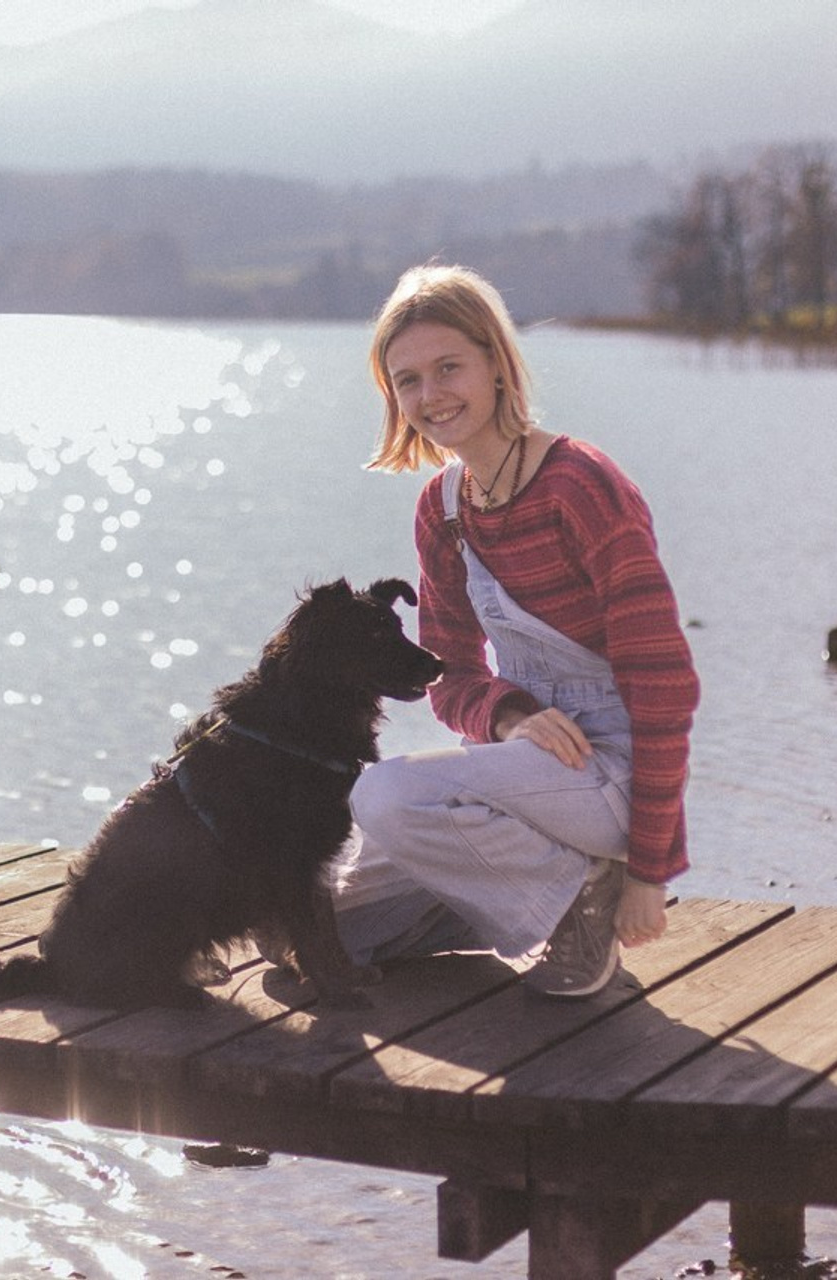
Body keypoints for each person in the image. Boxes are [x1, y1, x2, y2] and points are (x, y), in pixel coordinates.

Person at [330, 263, 700, 998]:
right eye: (408, 380)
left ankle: (583, 898)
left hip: (614, 772)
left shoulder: (580, 486)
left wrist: (650, 869)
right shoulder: (444, 508)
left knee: (384, 795)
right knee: (325, 931)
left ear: (496, 363)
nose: (431, 395)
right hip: (524, 768)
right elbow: (449, 677)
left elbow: (664, 687)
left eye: (449, 367)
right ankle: (517, 900)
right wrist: (511, 716)